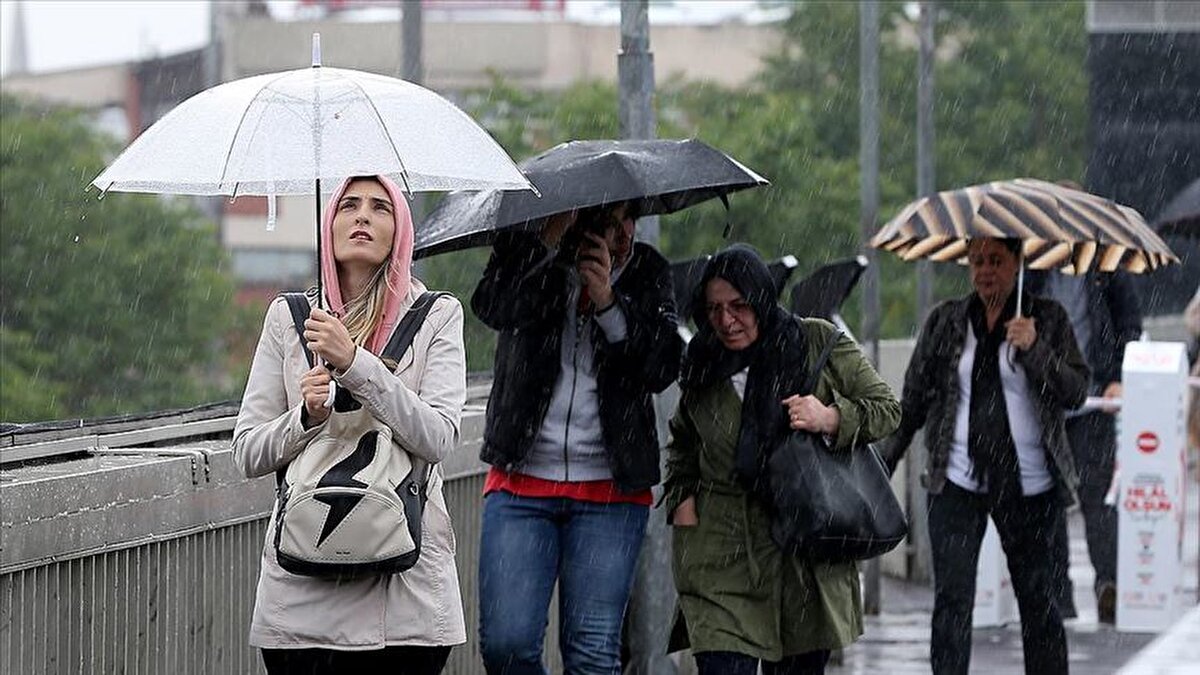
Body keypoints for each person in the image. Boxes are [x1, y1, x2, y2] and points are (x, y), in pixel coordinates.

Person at [232, 175, 467, 675]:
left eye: (381, 207)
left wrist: (356, 364)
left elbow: (439, 437)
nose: (363, 216)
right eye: (349, 205)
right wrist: (305, 418)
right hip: (302, 590)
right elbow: (247, 452)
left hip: (403, 594)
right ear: (329, 224)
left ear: (400, 230)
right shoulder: (290, 318)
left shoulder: (437, 316)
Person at [662, 244, 900, 675]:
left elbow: (886, 409)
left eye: (739, 305)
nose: (726, 320)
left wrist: (829, 417)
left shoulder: (815, 341)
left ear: (762, 299)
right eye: (714, 308)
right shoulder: (701, 363)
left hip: (804, 544)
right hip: (722, 548)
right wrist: (683, 502)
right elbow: (682, 440)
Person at [471, 201, 683, 675]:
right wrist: (546, 246)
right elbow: (493, 306)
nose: (619, 232)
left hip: (611, 488)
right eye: (604, 220)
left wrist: (609, 302)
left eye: (628, 218)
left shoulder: (648, 270)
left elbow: (661, 366)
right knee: (507, 646)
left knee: (591, 652)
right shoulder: (529, 254)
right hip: (521, 480)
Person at [881, 237, 1090, 675]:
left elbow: (1076, 392)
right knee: (953, 602)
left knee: (1039, 604)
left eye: (995, 260)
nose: (984, 270)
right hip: (955, 478)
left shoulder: (1047, 318)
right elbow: (914, 400)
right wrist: (884, 461)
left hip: (1029, 485)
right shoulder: (946, 321)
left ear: (1018, 263)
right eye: (976, 261)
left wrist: (1035, 349)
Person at [1027, 181, 1144, 624]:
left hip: (1094, 397)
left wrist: (1118, 378)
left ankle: (1108, 585)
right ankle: (1059, 595)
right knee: (1048, 498)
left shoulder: (1106, 265)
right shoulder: (1033, 267)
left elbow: (1129, 324)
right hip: (1045, 398)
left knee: (1097, 495)